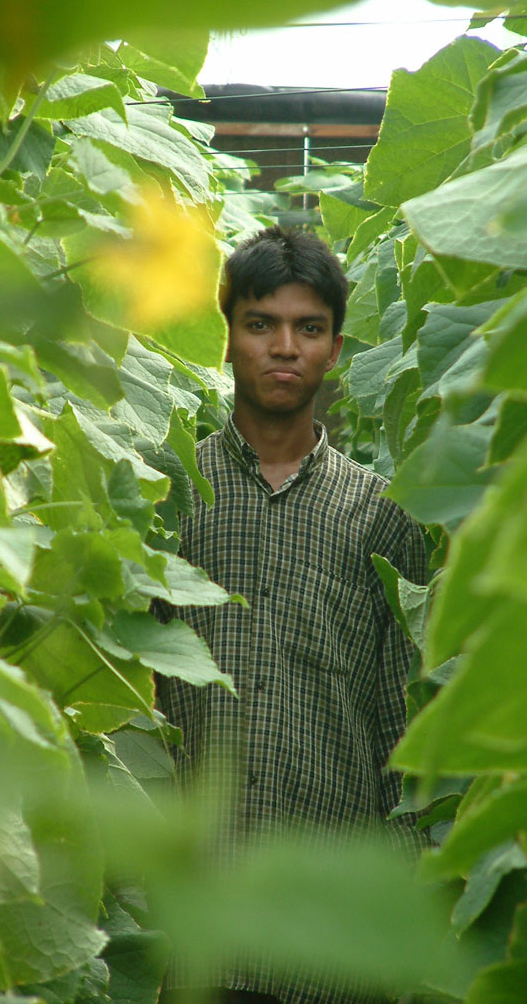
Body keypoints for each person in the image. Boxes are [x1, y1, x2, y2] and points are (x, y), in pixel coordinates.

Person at [156, 225, 427, 1004]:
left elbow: (397, 721)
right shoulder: (172, 491)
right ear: (228, 336)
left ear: (335, 349)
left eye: (308, 328)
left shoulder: (378, 514)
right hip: (191, 914)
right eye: (260, 323)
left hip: (329, 935)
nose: (284, 347)